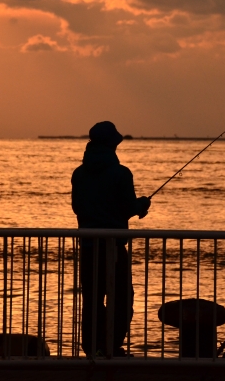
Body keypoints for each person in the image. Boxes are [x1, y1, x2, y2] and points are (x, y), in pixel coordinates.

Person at [71, 121, 151, 357]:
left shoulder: (79, 173)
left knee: (92, 300)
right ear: (111, 144)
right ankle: (111, 346)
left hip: (87, 246)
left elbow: (78, 208)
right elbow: (127, 207)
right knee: (122, 299)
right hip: (114, 247)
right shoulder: (121, 173)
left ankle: (92, 348)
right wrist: (142, 205)